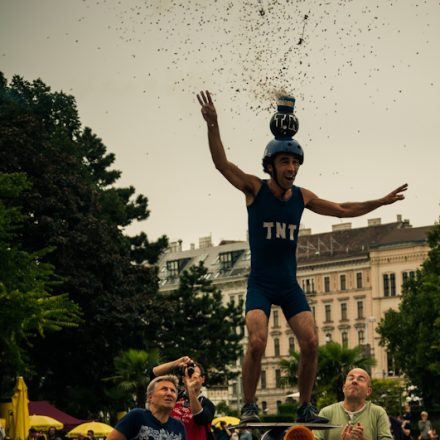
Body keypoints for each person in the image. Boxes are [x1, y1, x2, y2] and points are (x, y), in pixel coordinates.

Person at [196, 90, 408, 423]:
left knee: (310, 342)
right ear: (271, 166)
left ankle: (305, 405)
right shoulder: (254, 189)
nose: (292, 167)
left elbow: (342, 209)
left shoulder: (302, 197)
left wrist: (379, 202)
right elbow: (222, 164)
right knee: (257, 340)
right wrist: (213, 125)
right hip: (261, 283)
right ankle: (249, 404)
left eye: (295, 162)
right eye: (285, 162)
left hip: (287, 284)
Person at [314, 368, 393, 440]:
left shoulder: (378, 413)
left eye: (361, 379)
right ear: (344, 388)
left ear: (368, 391)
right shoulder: (326, 413)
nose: (354, 381)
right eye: (351, 378)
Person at [149, 356, 215, 440]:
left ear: (203, 379)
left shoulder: (207, 404)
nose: (191, 377)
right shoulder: (175, 396)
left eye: (195, 374)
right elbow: (153, 374)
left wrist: (190, 389)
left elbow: (200, 418)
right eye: (189, 374)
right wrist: (176, 363)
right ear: (183, 379)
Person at [107, 375, 186, 440]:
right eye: (164, 389)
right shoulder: (137, 416)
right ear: (150, 397)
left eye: (173, 391)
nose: (169, 393)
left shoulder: (179, 427)